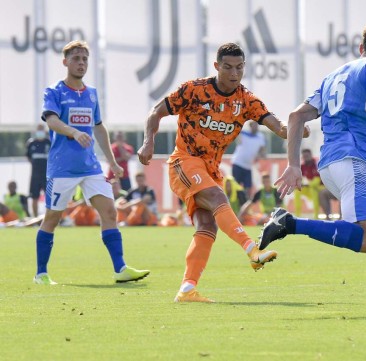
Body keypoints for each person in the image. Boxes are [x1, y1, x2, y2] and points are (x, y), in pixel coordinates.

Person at [258, 20, 366, 314]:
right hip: (353, 161)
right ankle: (289, 224)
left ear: (360, 47)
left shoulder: (334, 76)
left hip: (331, 164)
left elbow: (295, 116)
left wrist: (293, 165)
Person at [137, 42, 309, 303]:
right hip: (184, 161)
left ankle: (187, 289)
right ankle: (252, 250)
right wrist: (148, 141)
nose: (234, 73)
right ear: (216, 66)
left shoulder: (247, 100)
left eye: (239, 67)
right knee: (219, 198)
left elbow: (279, 126)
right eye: (228, 67)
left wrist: (296, 130)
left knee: (207, 227)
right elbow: (156, 112)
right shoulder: (193, 90)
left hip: (211, 169)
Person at [34, 40, 150, 285]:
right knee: (52, 219)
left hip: (90, 168)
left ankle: (120, 269)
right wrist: (74, 132)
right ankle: (41, 273)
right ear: (65, 62)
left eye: (85, 59)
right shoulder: (54, 91)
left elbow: (98, 128)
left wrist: (113, 162)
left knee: (109, 211)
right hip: (62, 168)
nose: (81, 63)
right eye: (76, 58)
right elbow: (52, 121)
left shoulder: (92, 93)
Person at [230, 121, 266, 196]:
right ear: (250, 126)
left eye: (257, 125)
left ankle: (246, 205)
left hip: (248, 166)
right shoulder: (243, 133)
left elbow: (262, 151)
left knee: (248, 188)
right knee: (235, 187)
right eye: (254, 125)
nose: (256, 126)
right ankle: (235, 205)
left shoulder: (260, 137)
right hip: (237, 163)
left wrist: (260, 155)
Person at [26, 123, 51, 217]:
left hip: (47, 175)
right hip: (35, 176)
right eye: (38, 130)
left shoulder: (49, 143)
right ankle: (35, 218)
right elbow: (28, 157)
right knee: (34, 197)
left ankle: (49, 217)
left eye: (42, 129)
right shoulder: (31, 143)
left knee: (49, 197)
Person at [293, 148, 324, 219]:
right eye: (304, 156)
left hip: (320, 188)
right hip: (310, 187)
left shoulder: (316, 163)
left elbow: (317, 180)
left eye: (307, 156)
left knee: (313, 189)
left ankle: (316, 216)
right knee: (297, 190)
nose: (306, 158)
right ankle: (297, 216)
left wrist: (307, 184)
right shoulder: (302, 166)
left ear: (311, 155)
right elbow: (299, 178)